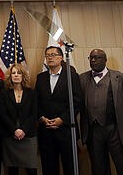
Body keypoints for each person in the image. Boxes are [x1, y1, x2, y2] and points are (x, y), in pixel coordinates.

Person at [80, 49, 123, 175]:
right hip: (93, 131)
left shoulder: (121, 78)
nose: (93, 60)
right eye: (91, 57)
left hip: (116, 129)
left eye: (97, 57)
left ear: (105, 60)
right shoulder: (82, 78)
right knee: (98, 167)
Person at [35, 46, 81, 175]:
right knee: (49, 168)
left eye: (53, 54)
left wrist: (62, 119)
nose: (50, 57)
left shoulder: (71, 76)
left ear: (61, 58)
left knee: (70, 167)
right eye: (47, 55)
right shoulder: (41, 77)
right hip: (46, 131)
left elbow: (77, 102)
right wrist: (42, 118)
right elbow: (36, 102)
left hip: (66, 130)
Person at [0, 64, 38, 175]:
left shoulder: (31, 93)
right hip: (10, 135)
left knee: (31, 169)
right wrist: (14, 130)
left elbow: (34, 114)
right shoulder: (4, 93)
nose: (16, 75)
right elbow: (2, 114)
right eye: (13, 73)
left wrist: (23, 130)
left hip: (29, 135)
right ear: (10, 76)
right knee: (12, 169)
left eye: (19, 73)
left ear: (23, 76)